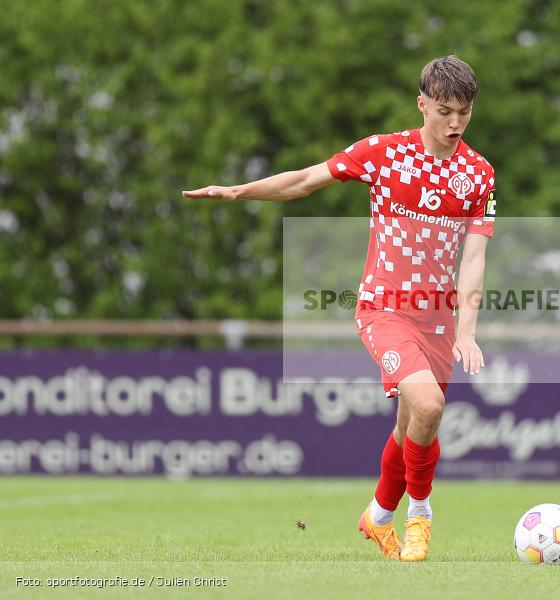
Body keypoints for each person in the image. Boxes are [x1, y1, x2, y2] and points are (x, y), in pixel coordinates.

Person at [183, 56, 496, 562]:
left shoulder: (478, 174)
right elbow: (306, 180)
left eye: (464, 112)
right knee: (430, 406)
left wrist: (466, 331)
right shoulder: (383, 153)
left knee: (414, 424)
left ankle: (377, 517)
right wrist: (241, 190)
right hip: (384, 308)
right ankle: (421, 517)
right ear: (422, 106)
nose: (455, 123)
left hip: (438, 318)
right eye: (444, 111)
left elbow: (475, 257)